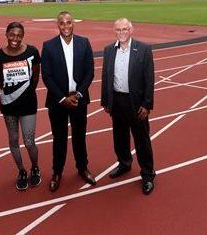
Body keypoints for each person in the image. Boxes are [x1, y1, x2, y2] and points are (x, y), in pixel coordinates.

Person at [41, 11, 96, 192]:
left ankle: (83, 168)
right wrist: (62, 98)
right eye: (62, 23)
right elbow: (47, 76)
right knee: (59, 138)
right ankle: (57, 172)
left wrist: (78, 94)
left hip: (79, 99)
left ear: (73, 23)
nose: (66, 26)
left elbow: (90, 72)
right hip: (58, 101)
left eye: (69, 22)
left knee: (80, 136)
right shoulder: (48, 46)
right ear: (58, 25)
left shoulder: (84, 42)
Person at [101, 18, 156, 195]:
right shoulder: (109, 50)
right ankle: (124, 164)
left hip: (137, 103)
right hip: (117, 101)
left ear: (131, 30)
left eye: (125, 29)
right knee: (120, 137)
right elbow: (106, 77)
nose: (122, 32)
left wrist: (147, 104)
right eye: (118, 30)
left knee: (142, 140)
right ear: (114, 31)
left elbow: (149, 79)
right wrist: (106, 101)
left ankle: (148, 174)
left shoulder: (144, 49)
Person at [0, 22, 41, 191]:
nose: (15, 38)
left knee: (29, 142)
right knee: (13, 140)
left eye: (19, 35)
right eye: (12, 35)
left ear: (23, 36)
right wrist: (11, 93)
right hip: (9, 105)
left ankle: (35, 167)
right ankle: (22, 171)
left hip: (28, 104)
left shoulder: (32, 52)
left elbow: (36, 75)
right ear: (6, 34)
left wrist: (26, 93)